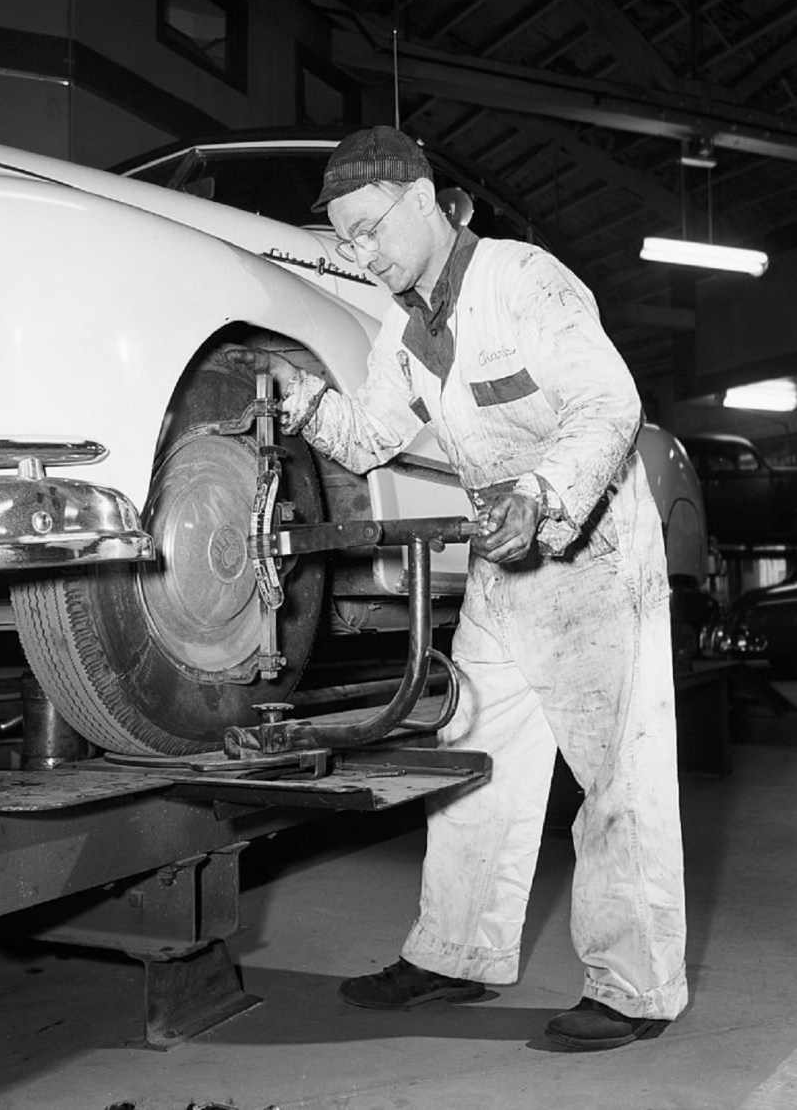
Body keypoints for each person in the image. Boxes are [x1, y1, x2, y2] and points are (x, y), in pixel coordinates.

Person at [227, 124, 687, 1051]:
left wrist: (545, 492)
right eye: (347, 238)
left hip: (591, 554)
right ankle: (457, 955)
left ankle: (635, 988)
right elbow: (367, 440)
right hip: (500, 566)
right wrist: (299, 395)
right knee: (476, 756)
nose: (360, 251)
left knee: (619, 775)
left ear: (428, 201)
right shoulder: (405, 333)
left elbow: (611, 403)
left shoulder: (525, 281)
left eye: (369, 229)